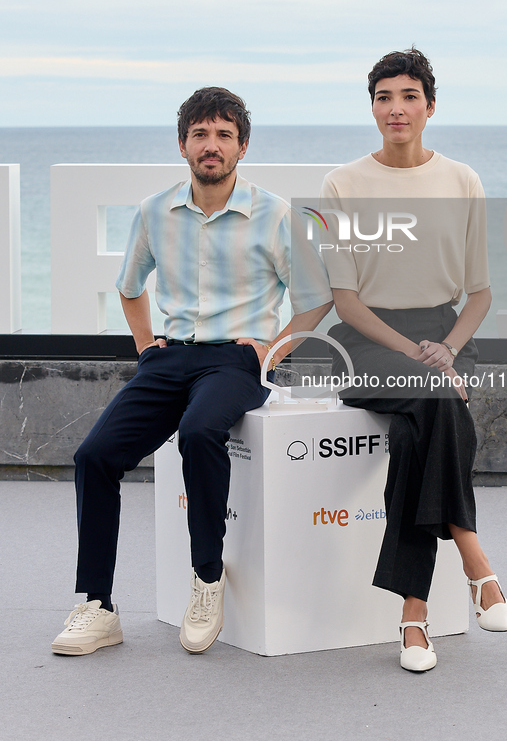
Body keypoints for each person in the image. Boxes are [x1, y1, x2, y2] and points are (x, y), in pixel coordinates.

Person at [52, 87, 332, 656]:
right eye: (200, 134)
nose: (211, 146)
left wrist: (269, 353)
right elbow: (130, 288)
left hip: (235, 359)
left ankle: (207, 578)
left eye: (224, 135)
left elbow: (315, 297)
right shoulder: (156, 210)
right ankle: (98, 606)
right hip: (169, 355)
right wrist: (144, 348)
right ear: (183, 145)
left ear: (242, 147)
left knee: (201, 432)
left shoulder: (274, 214)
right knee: (94, 456)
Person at [320, 48, 507, 673]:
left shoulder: (462, 181)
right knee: (437, 398)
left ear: (430, 107)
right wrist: (420, 356)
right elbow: (345, 302)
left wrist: (448, 349)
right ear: (372, 108)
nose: (395, 108)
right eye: (383, 97)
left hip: (444, 331)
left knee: (412, 439)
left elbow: (480, 293)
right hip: (369, 339)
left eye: (408, 96)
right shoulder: (342, 184)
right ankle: (475, 559)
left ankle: (413, 615)